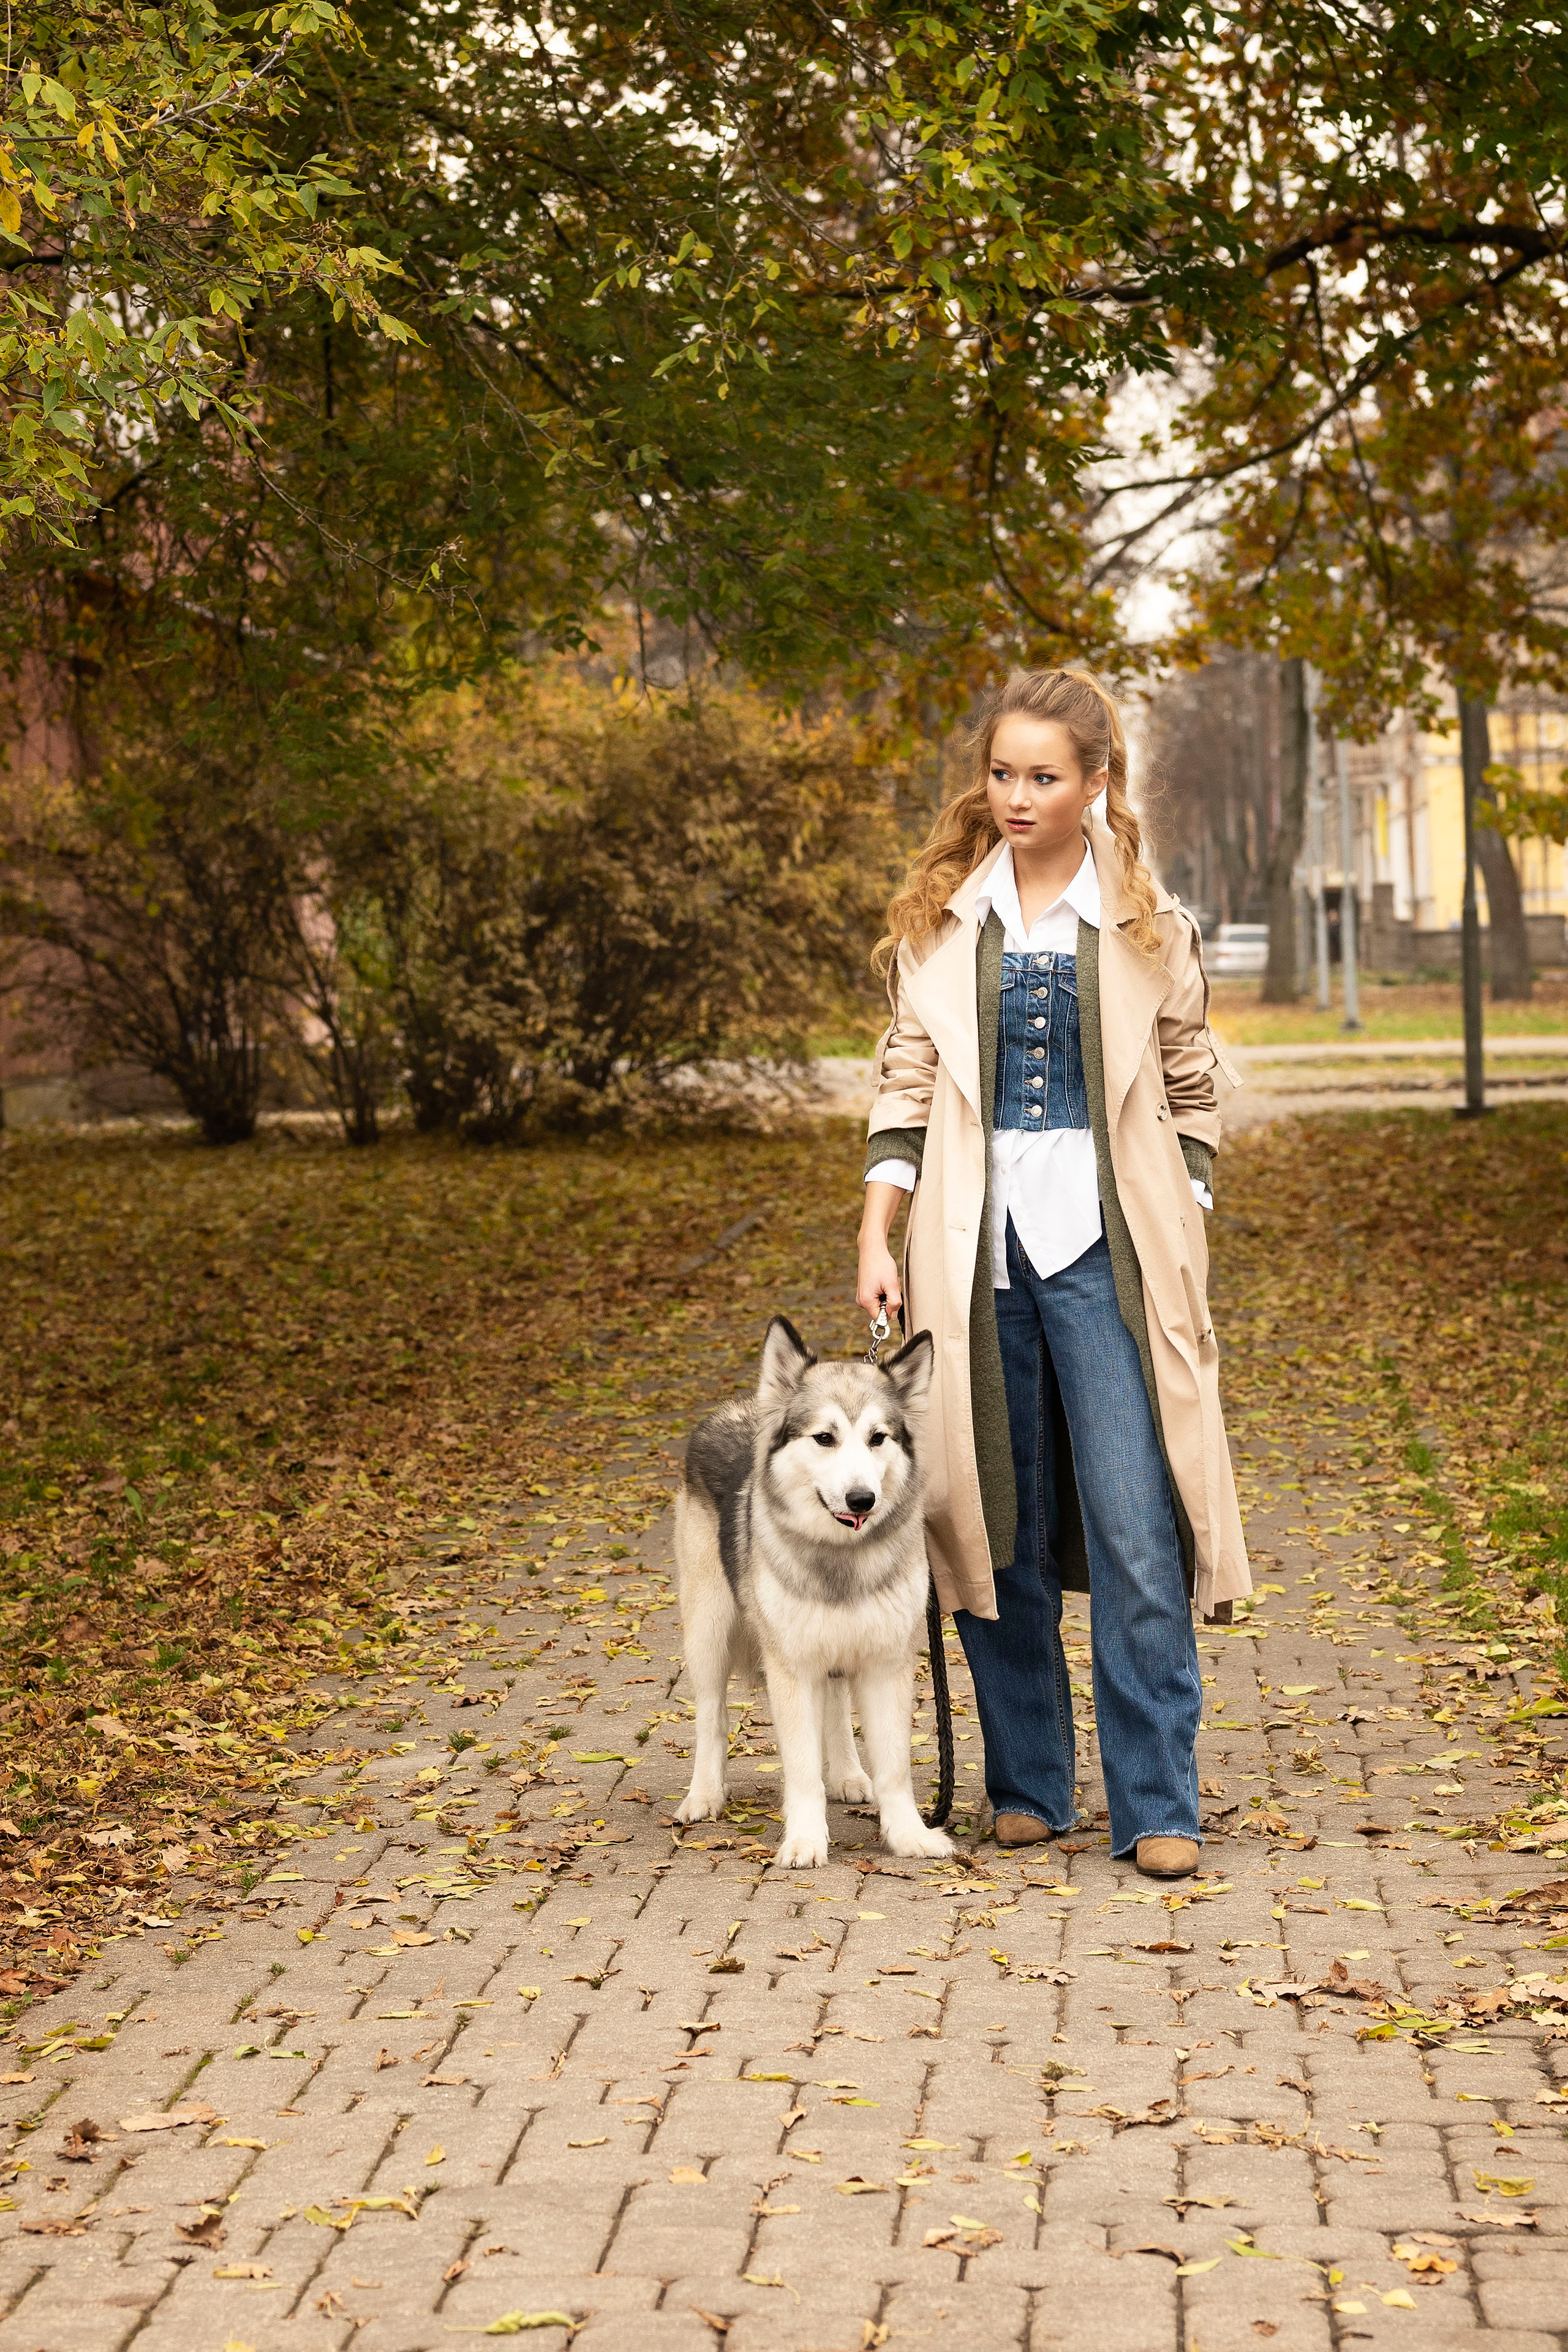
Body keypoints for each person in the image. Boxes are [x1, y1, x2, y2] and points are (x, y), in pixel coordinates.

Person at [856, 668, 1251, 1879]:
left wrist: (1179, 1213)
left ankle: (1155, 1802)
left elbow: (1190, 1088)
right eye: (1001, 773)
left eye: (1042, 776)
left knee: (1137, 1528)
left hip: (1107, 1257)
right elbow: (905, 1088)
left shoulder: (1142, 925)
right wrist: (876, 1232)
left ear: (1092, 785)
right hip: (971, 1258)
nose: (1015, 795)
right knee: (995, 1528)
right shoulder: (946, 923)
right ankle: (1027, 1783)